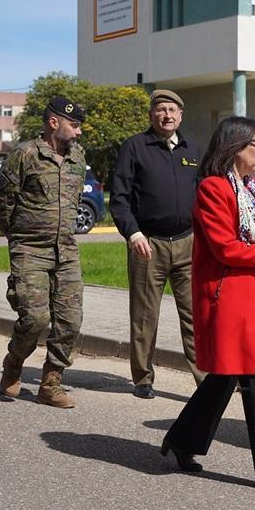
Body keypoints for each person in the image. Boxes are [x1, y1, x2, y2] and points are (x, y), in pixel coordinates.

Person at [160, 117, 255, 494]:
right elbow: (226, 248)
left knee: (226, 376)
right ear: (234, 148)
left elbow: (253, 243)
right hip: (228, 297)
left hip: (249, 294)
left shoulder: (250, 187)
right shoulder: (214, 189)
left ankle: (181, 440)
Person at [0, 96, 88, 408]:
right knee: (34, 319)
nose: (79, 132)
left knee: (70, 321)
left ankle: (51, 383)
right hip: (30, 249)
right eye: (74, 125)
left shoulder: (77, 157)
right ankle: (14, 362)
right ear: (54, 122)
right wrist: (18, 234)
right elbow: (0, 200)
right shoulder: (25, 154)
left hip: (66, 250)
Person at [110, 89, 202, 399]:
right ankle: (142, 378)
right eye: (161, 109)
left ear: (181, 115)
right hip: (148, 244)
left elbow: (204, 197)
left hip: (188, 244)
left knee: (195, 316)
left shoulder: (192, 149)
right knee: (145, 315)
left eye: (172, 110)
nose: (167, 115)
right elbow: (119, 199)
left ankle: (205, 381)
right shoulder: (135, 147)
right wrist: (133, 234)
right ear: (152, 115)